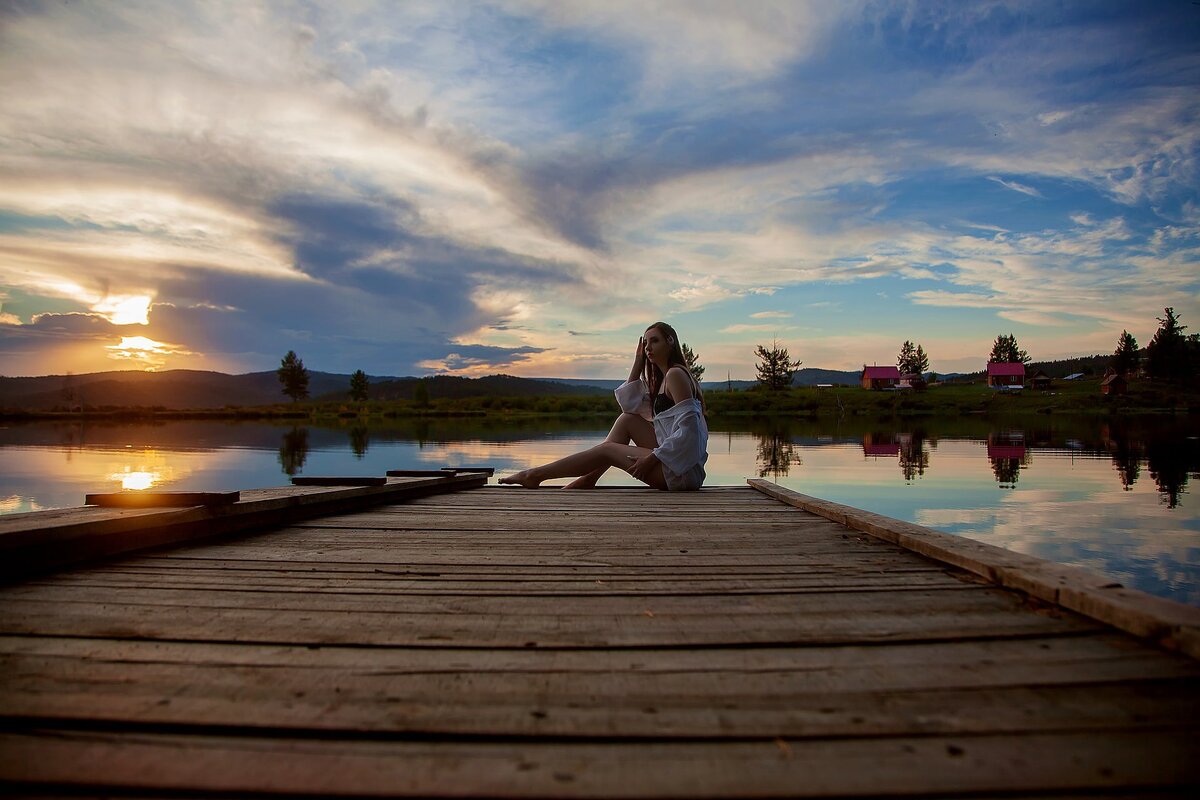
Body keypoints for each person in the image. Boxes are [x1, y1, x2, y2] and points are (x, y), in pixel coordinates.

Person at [499, 322, 709, 490]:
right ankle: (589, 478)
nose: (648, 347)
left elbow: (690, 431)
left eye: (654, 341)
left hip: (680, 473)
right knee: (626, 420)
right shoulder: (664, 379)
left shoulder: (675, 375)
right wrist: (638, 362)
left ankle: (534, 475)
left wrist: (652, 458)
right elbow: (628, 407)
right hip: (674, 464)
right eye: (645, 343)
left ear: (670, 341)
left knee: (607, 450)